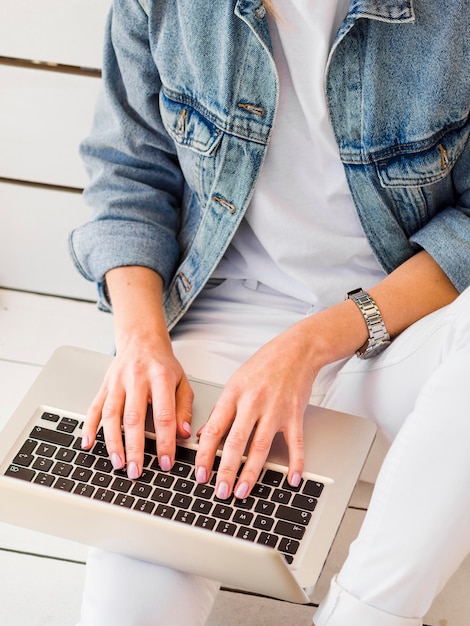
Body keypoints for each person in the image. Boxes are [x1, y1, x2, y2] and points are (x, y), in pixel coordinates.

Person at [69, 0, 470, 624]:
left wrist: (309, 344)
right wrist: (142, 341)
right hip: (219, 340)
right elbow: (130, 177)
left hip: (399, 332)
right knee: (133, 602)